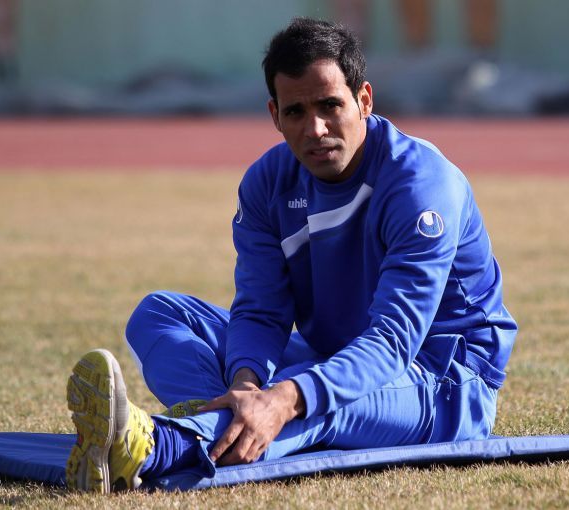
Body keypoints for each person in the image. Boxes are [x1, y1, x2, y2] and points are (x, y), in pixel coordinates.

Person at [65, 17, 517, 493]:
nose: (315, 128)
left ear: (364, 100)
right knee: (160, 313)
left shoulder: (421, 184)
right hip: (333, 355)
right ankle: (229, 420)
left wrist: (287, 397)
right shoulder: (268, 183)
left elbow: (393, 339)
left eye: (330, 105)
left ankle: (154, 448)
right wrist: (246, 384)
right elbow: (262, 310)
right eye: (296, 112)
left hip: (444, 381)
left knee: (318, 397)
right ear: (275, 115)